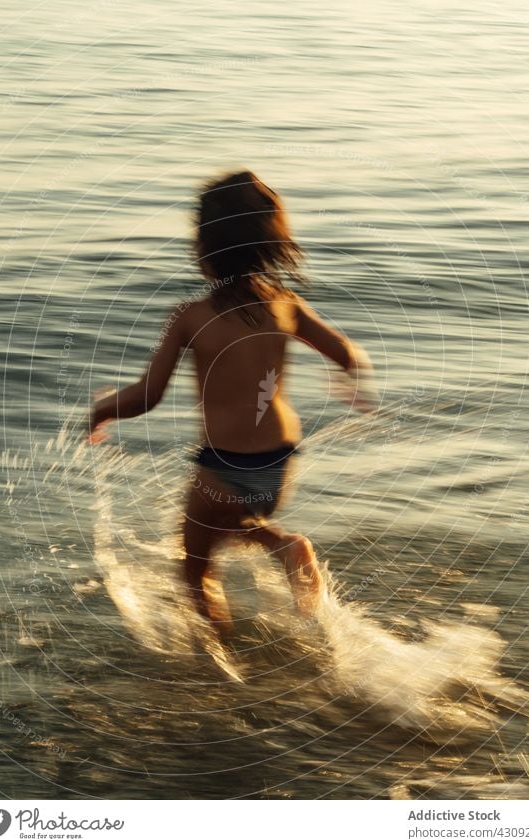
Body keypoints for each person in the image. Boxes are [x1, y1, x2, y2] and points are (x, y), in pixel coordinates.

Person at [88, 171, 377, 636]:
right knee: (235, 520)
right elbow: (348, 353)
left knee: (196, 570)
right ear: (269, 244)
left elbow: (147, 395)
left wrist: (102, 409)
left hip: (222, 465)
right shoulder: (287, 306)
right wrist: (350, 383)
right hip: (280, 462)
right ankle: (277, 544)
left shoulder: (189, 317)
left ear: (204, 247)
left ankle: (218, 661)